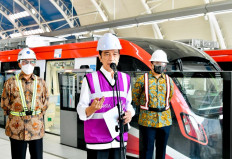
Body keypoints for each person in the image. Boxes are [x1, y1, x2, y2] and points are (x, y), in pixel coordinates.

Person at [77, 33, 135, 159]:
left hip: (119, 140)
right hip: (97, 141)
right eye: (107, 54)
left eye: (114, 54)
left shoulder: (126, 79)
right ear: (100, 57)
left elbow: (129, 104)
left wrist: (130, 113)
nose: (111, 58)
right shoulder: (90, 79)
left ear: (119, 57)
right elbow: (81, 109)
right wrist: (91, 109)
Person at [1, 48, 49, 159]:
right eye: (25, 61)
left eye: (32, 61)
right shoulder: (10, 82)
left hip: (36, 129)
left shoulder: (41, 82)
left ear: (35, 63)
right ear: (19, 63)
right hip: (16, 130)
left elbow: (45, 103)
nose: (29, 64)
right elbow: (4, 103)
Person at [132, 50, 174, 159]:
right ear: (151, 64)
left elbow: (169, 97)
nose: (160, 66)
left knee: (162, 150)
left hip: (165, 120)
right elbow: (135, 97)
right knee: (146, 150)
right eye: (157, 63)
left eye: (162, 64)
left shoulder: (169, 81)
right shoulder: (142, 79)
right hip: (147, 120)